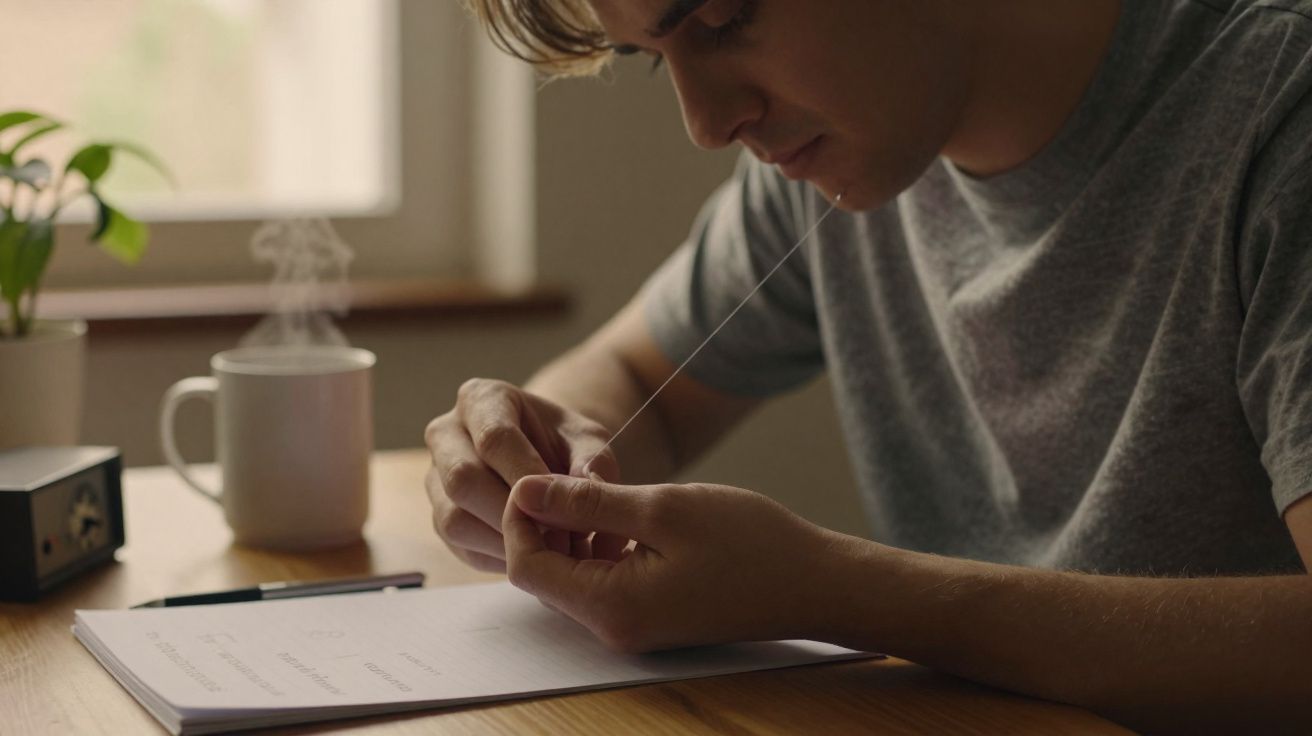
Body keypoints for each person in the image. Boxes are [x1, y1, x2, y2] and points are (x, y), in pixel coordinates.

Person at [424, 1, 1312, 731]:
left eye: (726, 20)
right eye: (656, 56)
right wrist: (542, 445)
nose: (706, 124)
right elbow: (630, 381)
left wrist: (834, 593)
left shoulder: (1279, 111)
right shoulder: (842, 151)